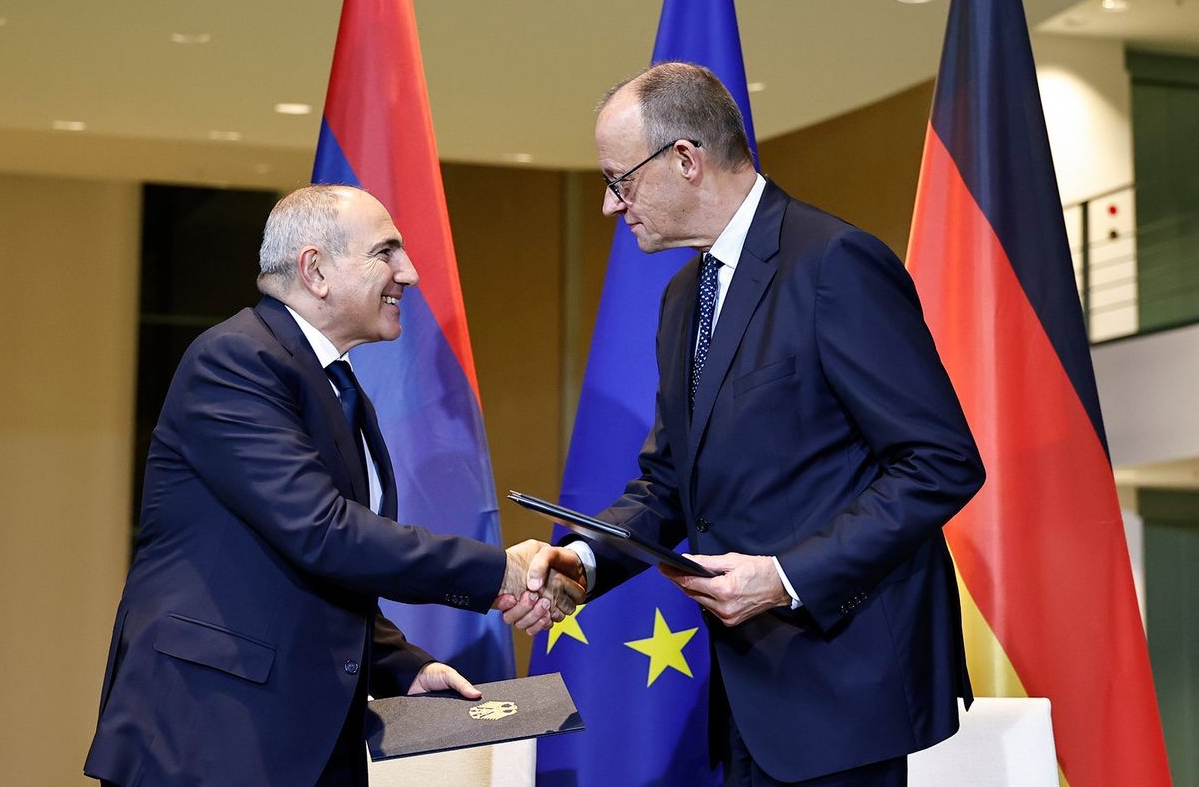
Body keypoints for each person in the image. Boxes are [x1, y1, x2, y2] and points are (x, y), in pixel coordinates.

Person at [510, 62, 985, 786]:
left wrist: (787, 576)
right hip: (747, 695)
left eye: (619, 181)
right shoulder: (681, 299)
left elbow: (941, 461)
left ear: (685, 160)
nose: (611, 207)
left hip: (842, 687)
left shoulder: (835, 264)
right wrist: (587, 562)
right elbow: (671, 480)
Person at [84, 184, 583, 787]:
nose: (411, 273)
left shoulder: (332, 383)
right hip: (208, 734)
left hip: (296, 734)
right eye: (386, 252)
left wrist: (398, 666)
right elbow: (323, 533)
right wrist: (495, 572)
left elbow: (314, 568)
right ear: (315, 269)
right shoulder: (236, 361)